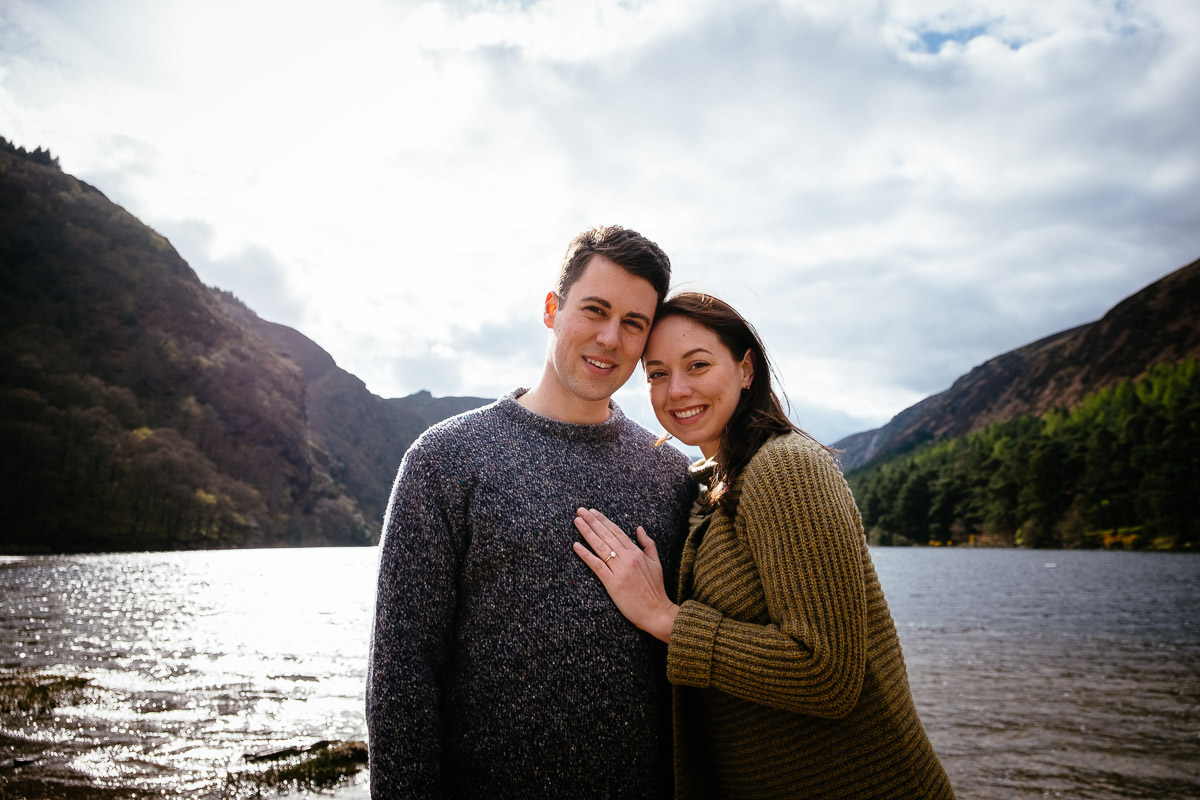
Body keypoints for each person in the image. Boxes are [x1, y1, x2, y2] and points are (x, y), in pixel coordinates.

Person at [573, 292, 956, 799]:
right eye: (658, 373)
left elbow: (827, 672)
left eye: (698, 364)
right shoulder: (711, 484)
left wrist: (665, 617)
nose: (677, 390)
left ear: (746, 369)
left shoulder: (786, 466)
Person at [367, 226, 696, 798]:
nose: (610, 338)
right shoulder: (444, 460)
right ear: (552, 308)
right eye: (595, 310)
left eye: (633, 323)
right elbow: (402, 679)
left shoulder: (669, 475)